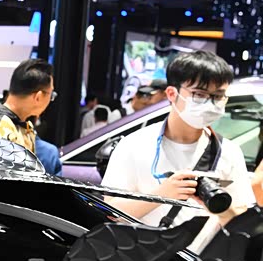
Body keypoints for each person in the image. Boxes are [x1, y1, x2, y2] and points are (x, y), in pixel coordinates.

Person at [102, 51, 253, 242]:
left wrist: (218, 206)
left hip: (201, 258)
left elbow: (242, 221)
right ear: (172, 93)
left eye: (218, 96)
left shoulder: (228, 152)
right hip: (144, 256)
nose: (210, 103)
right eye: (200, 94)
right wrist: (162, 195)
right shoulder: (134, 144)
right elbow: (111, 213)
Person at [0, 59, 55, 154]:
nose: (51, 99)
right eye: (51, 94)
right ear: (38, 97)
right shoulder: (0, 128)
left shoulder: (23, 125)